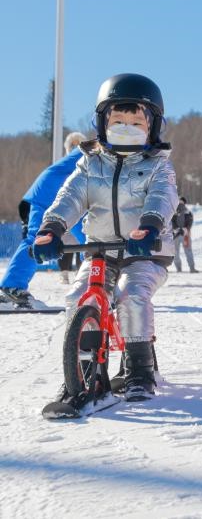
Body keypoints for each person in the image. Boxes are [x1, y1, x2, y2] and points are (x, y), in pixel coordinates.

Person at [31, 74, 178, 408]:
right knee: (77, 295)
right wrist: (51, 229)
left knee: (130, 293)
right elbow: (70, 197)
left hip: (144, 252)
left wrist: (149, 227)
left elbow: (162, 198)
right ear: (102, 123)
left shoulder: (158, 166)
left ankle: (139, 371)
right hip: (100, 251)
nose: (126, 128)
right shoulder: (90, 163)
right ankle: (81, 372)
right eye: (118, 121)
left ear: (153, 127)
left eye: (136, 123)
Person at [0, 132, 87, 308]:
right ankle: (97, 286)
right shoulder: (100, 148)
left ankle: (11, 286)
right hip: (58, 194)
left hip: (48, 191)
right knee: (91, 238)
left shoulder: (99, 147)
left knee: (86, 238)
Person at [171, 197, 197, 273]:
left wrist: (185, 229)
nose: (180, 204)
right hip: (177, 235)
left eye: (181, 202)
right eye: (179, 202)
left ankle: (191, 268)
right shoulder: (174, 212)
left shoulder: (187, 212)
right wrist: (176, 229)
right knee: (176, 252)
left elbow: (190, 222)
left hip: (185, 235)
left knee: (188, 251)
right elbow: (171, 222)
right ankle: (179, 268)